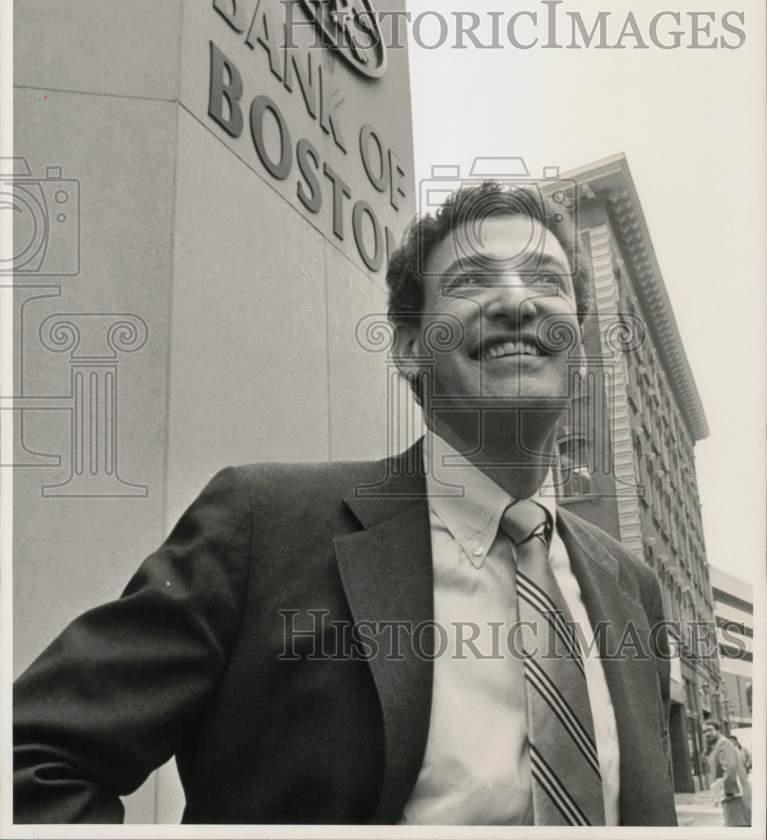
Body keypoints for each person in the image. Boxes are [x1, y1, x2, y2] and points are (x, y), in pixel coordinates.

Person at [14, 181, 676, 826]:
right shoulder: (262, 526)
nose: (515, 301)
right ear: (411, 348)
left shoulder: (631, 590)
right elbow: (32, 758)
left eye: (545, 280)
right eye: (473, 281)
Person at [705, 722, 752, 826]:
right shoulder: (717, 745)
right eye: (704, 731)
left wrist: (728, 793)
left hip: (732, 793)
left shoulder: (723, 744)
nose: (707, 733)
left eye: (710, 730)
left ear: (718, 730)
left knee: (738, 824)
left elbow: (729, 768)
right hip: (731, 792)